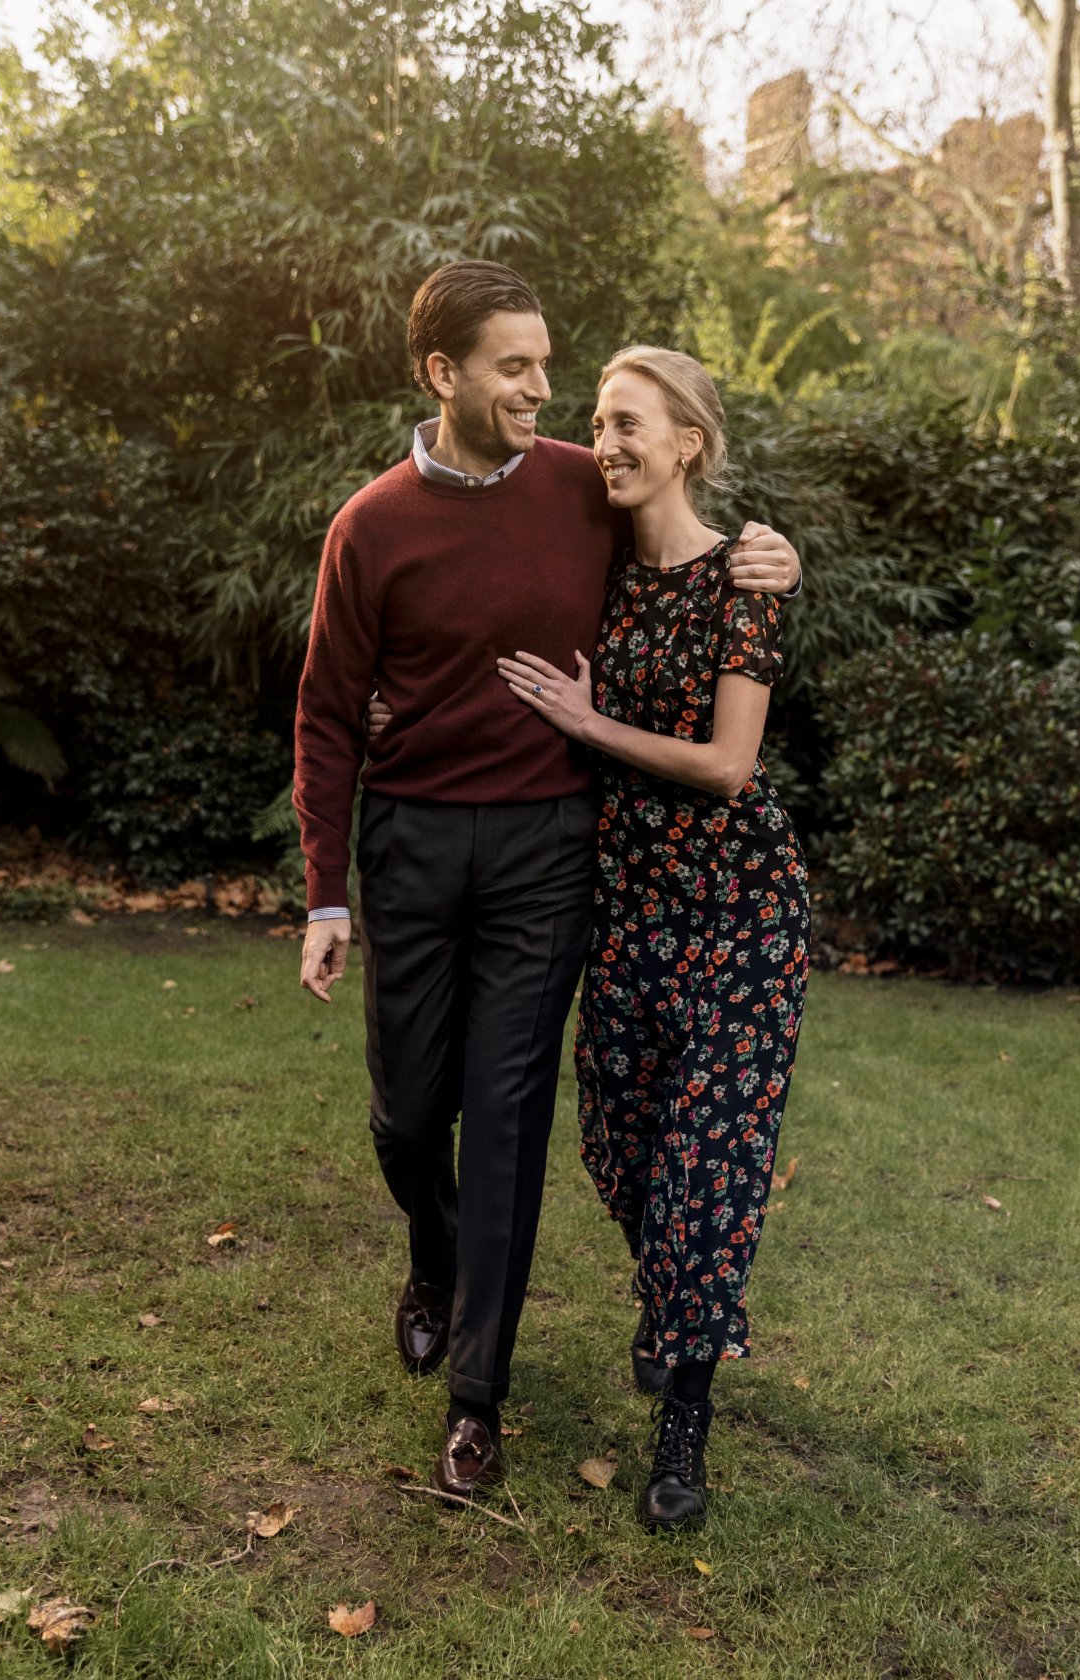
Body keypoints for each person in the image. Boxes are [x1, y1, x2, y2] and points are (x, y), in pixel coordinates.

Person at [292, 261, 801, 1502]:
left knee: (508, 1121)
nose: (545, 391)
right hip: (412, 843)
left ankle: (477, 1404)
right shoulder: (371, 524)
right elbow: (322, 716)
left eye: (548, 364)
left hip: (547, 855)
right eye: (515, 367)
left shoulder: (586, 482)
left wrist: (773, 553)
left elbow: (697, 518)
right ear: (443, 374)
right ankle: (433, 1251)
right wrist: (325, 891)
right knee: (412, 1119)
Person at [496, 346, 808, 1531]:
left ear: (690, 443)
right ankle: (673, 1294)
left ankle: (684, 1425)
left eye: (631, 423)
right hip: (627, 911)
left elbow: (730, 767)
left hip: (740, 915)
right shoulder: (596, 573)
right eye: (597, 422)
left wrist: (589, 722)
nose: (606, 441)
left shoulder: (748, 579)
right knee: (622, 1151)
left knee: (707, 1175)